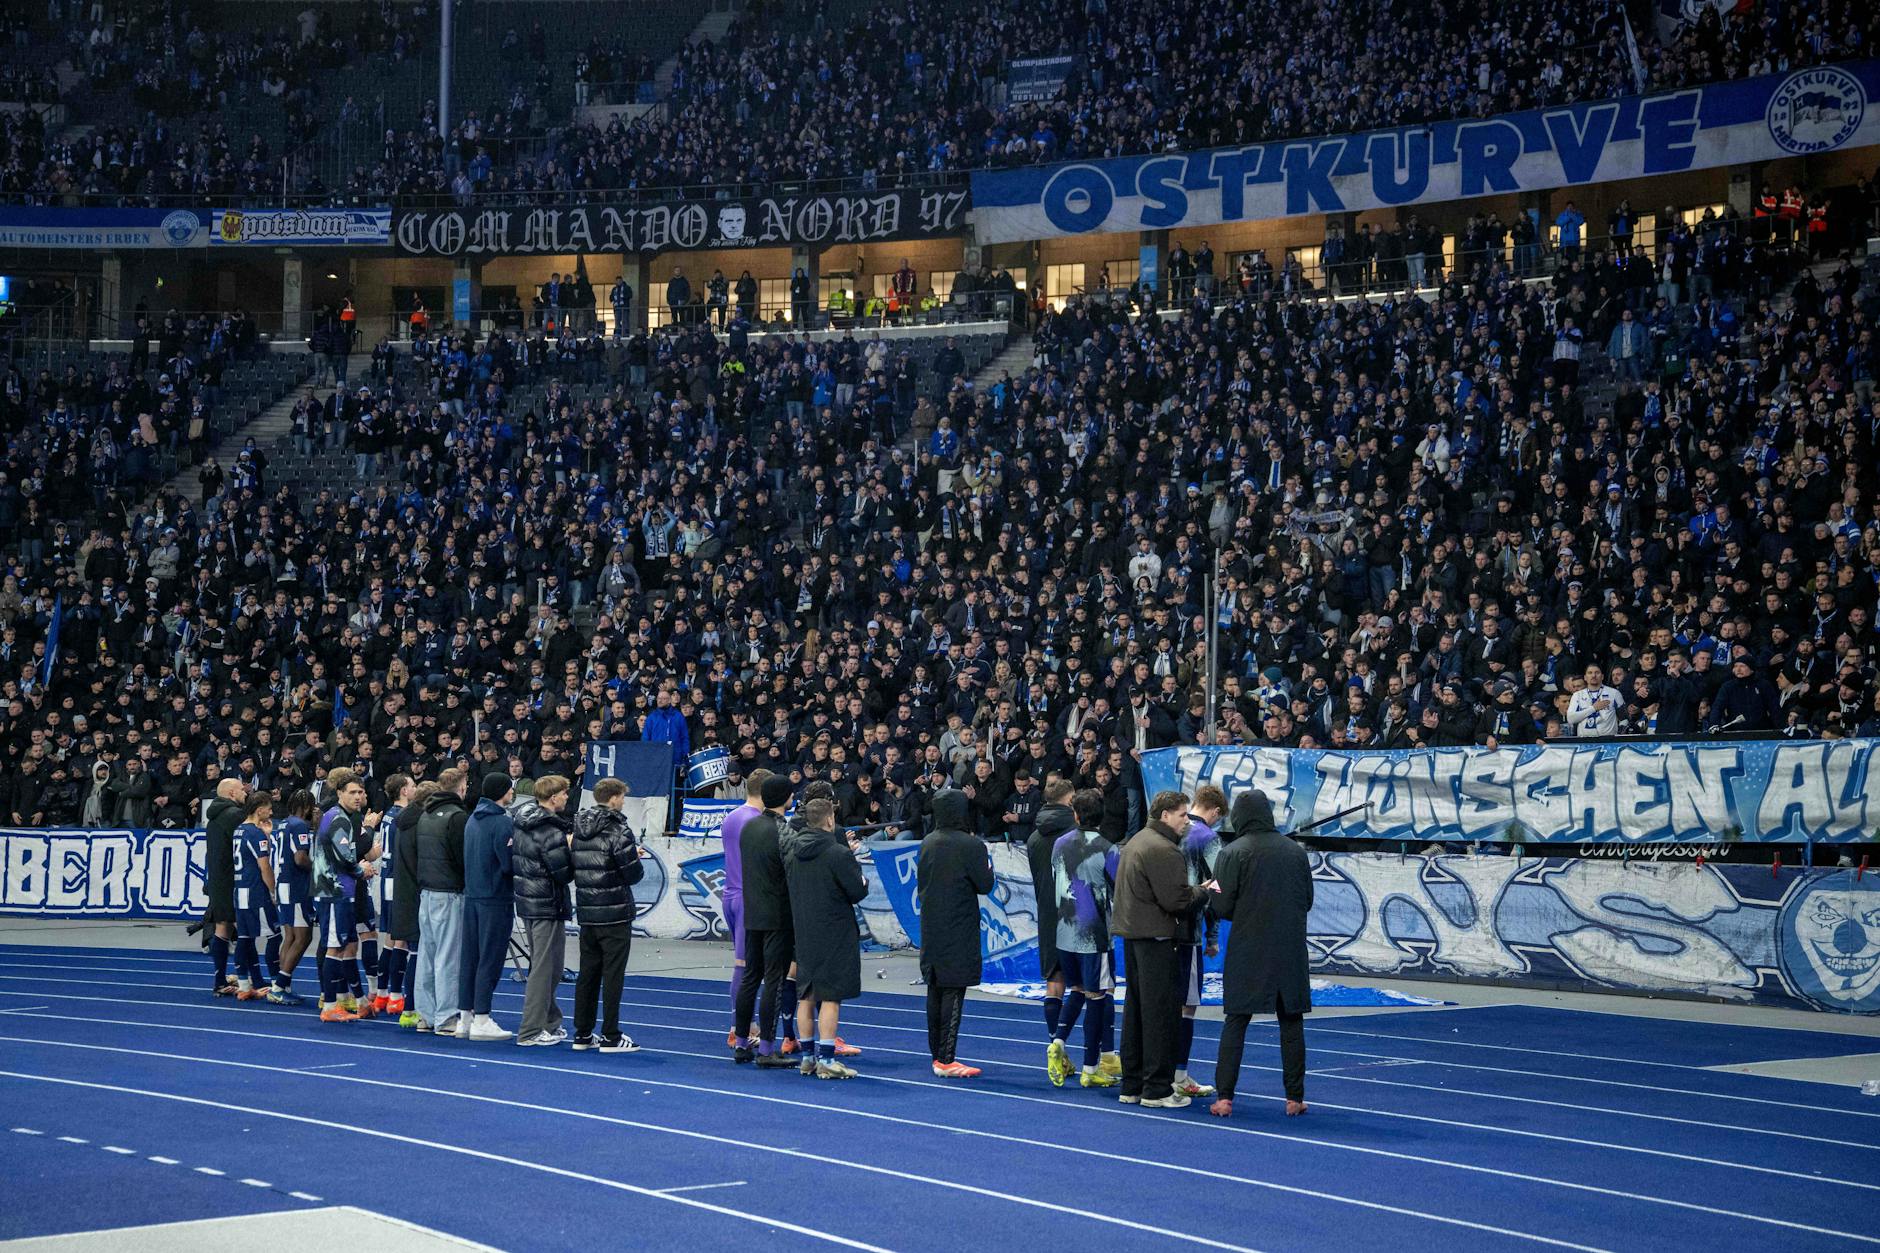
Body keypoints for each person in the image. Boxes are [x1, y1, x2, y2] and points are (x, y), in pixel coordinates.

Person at [1209, 790, 1312, 1118]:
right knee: (1291, 1021)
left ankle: (1225, 1098)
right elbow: (1307, 900)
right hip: (1289, 949)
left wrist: (1212, 885)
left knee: (1236, 1020)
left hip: (1248, 948)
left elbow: (1220, 904)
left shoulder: (1231, 852)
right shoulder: (1295, 852)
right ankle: (1294, 1098)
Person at [1111, 789, 1209, 1108]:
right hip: (1158, 939)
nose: (1187, 821)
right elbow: (1176, 900)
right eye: (1182, 815)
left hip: (1134, 936)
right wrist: (1202, 892)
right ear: (1165, 815)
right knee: (1160, 1015)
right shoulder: (1164, 849)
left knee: (1136, 1013)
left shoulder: (1137, 841)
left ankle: (1132, 1085)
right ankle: (1157, 1090)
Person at [785, 796, 868, 1078]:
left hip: (803, 929)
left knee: (806, 995)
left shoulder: (793, 851)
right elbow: (857, 890)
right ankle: (828, 1059)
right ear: (830, 820)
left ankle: (808, 1057)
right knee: (831, 995)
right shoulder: (837, 853)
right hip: (834, 931)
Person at [917, 789, 994, 1078]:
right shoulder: (970, 845)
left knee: (935, 986)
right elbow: (985, 884)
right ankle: (946, 1058)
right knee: (953, 987)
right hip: (958, 924)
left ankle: (937, 1055)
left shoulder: (928, 841)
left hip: (931, 923)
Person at [1049, 788, 1122, 1089]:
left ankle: (1058, 1041)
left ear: (1076, 815)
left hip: (1064, 932)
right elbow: (1119, 889)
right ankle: (1091, 1068)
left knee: (1076, 989)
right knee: (1097, 997)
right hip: (1095, 937)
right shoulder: (1109, 849)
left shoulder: (1059, 844)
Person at [572, 777, 645, 1052]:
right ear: (614, 798)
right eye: (622, 797)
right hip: (614, 912)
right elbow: (633, 874)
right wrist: (634, 857)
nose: (623, 801)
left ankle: (582, 1033)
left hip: (588, 910)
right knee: (613, 975)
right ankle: (611, 1035)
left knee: (587, 973)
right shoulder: (619, 830)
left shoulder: (578, 827)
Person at [732, 774, 797, 1067]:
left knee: (750, 977)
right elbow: (794, 871)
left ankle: (742, 1042)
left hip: (753, 911)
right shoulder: (783, 831)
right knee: (774, 980)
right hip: (778, 915)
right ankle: (767, 1049)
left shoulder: (749, 827)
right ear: (785, 797)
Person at [311, 768, 380, 1023]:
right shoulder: (338, 819)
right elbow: (345, 859)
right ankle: (330, 1005)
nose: (358, 797)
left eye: (360, 792)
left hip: (342, 890)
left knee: (347, 944)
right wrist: (362, 870)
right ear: (340, 793)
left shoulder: (344, 817)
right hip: (334, 891)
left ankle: (359, 1000)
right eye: (352, 792)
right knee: (335, 947)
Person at [512, 774, 576, 1046]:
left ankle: (549, 1022)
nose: (566, 797)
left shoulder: (523, 822)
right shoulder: (549, 830)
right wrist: (571, 850)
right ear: (553, 797)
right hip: (546, 903)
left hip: (530, 901)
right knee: (543, 968)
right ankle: (530, 1030)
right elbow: (563, 872)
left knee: (550, 965)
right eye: (563, 793)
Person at [1173, 784, 1225, 1099]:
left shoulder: (1167, 830)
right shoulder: (1207, 837)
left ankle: (1156, 1070)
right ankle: (1179, 1075)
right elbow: (1218, 885)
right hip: (1189, 929)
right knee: (1187, 1005)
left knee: (1161, 1003)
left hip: (1159, 928)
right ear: (1215, 811)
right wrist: (1212, 935)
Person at [457, 772, 518, 1041]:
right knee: (490, 959)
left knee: (470, 958)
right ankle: (482, 1017)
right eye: (509, 789)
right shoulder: (502, 822)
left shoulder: (472, 819)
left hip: (472, 896)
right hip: (495, 898)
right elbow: (508, 864)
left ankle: (465, 1018)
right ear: (502, 791)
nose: (512, 792)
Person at [413, 767, 471, 1034]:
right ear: (462, 787)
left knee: (427, 955)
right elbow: (462, 858)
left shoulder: (425, 815)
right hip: (448, 893)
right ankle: (447, 1016)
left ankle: (425, 1015)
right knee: (448, 956)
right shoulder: (457, 817)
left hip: (426, 891)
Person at [719, 768, 772, 1047]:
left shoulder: (731, 817)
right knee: (744, 966)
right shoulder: (756, 821)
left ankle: (745, 1025)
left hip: (730, 894)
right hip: (747, 898)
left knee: (745, 964)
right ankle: (737, 1028)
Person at [1027, 776, 1076, 1051]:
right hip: (1078, 914)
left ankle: (1054, 1045)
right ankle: (1099, 1053)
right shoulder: (1077, 834)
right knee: (1089, 987)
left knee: (1054, 980)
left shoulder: (1034, 837)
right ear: (1069, 801)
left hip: (1047, 913)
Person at [389, 780, 433, 1026]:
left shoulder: (402, 821)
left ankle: (399, 1000)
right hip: (418, 891)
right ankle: (412, 1007)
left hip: (402, 889)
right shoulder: (420, 824)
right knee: (417, 952)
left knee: (404, 946)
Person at [268, 788, 318, 1006]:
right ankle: (279, 986)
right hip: (295, 886)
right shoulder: (299, 826)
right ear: (307, 807)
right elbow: (300, 858)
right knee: (303, 937)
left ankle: (282, 985)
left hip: (283, 883)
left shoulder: (282, 824)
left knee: (290, 936)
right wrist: (317, 868)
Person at [372, 775, 415, 1017]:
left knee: (390, 938)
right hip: (399, 880)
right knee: (401, 940)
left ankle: (382, 993)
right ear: (404, 791)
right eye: (412, 786)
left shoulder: (388, 814)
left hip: (387, 877)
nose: (415, 789)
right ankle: (396, 996)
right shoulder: (403, 816)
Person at [231, 790, 280, 1001]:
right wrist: (273, 890)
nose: (271, 813)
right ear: (259, 810)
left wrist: (266, 836)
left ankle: (245, 984)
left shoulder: (239, 830)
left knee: (244, 937)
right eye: (269, 809)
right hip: (255, 892)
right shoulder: (254, 833)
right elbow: (264, 867)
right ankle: (277, 983)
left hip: (240, 890)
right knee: (275, 935)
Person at [202, 777, 247, 996]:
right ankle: (248, 980)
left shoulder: (214, 816)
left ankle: (220, 981)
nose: (245, 793)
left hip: (218, 879)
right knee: (245, 930)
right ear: (231, 793)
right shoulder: (234, 815)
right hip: (233, 879)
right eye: (241, 790)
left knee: (223, 928)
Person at [1567, 664, 1623, 737]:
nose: (1593, 675)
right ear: (1585, 677)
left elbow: (1624, 719)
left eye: (1597, 672)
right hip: (1584, 740)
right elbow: (1571, 719)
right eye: (1590, 673)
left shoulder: (1614, 693)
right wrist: (1593, 708)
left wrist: (1618, 735)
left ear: (1602, 676)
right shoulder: (1577, 695)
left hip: (1608, 740)